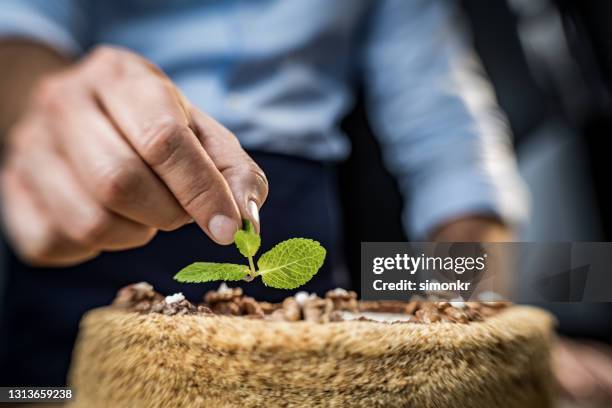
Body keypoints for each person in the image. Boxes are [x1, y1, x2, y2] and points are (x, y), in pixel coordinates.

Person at [0, 0, 523, 386]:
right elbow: (21, 30)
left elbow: (447, 139)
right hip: (97, 195)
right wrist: (40, 118)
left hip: (298, 226)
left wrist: (481, 325)